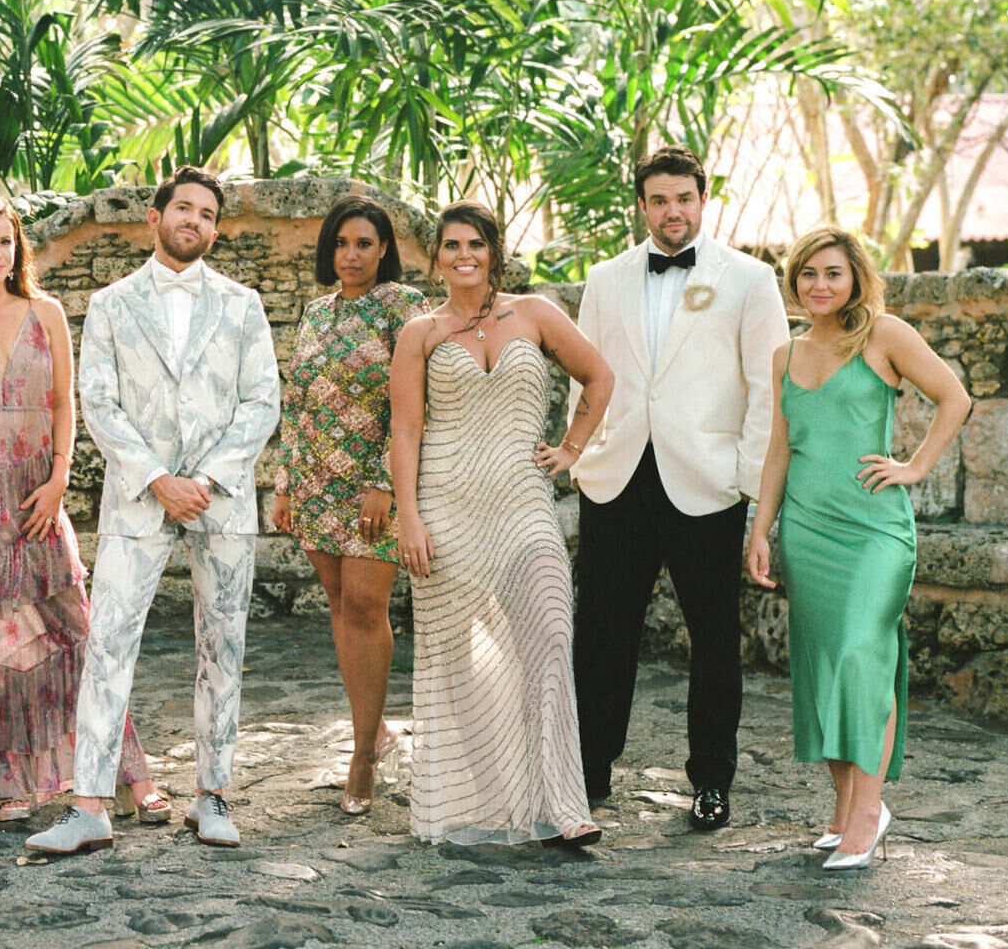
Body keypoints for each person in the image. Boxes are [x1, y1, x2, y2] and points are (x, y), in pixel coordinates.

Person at [27, 165, 280, 855]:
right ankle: (89, 808)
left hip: (222, 502)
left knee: (222, 646)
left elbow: (263, 401)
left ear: (216, 229)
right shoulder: (111, 304)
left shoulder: (243, 303)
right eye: (184, 208)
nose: (194, 220)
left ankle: (212, 795)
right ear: (156, 216)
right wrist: (159, 478)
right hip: (139, 501)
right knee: (107, 644)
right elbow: (99, 404)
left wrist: (208, 479)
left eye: (207, 213)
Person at [0, 196, 171, 824]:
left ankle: (124, 772)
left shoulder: (46, 312)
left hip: (32, 495)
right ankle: (7, 780)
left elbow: (63, 405)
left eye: (6, 242)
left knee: (72, 634)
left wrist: (58, 479)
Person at [569, 147, 789, 831]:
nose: (673, 211)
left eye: (684, 198)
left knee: (715, 639)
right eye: (659, 200)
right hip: (618, 479)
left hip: (707, 484)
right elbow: (585, 371)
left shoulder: (750, 280)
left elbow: (768, 390)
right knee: (602, 633)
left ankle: (712, 782)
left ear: (703, 198)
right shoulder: (605, 278)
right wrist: (583, 453)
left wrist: (746, 483)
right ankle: (588, 770)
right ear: (641, 205)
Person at [387, 202, 612, 845]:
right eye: (452, 244)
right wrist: (409, 517)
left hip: (522, 503)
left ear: (494, 252)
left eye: (476, 243)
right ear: (437, 257)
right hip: (445, 505)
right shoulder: (420, 333)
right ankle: (480, 803)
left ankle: (563, 804)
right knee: (462, 660)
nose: (465, 255)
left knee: (547, 636)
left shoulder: (536, 314)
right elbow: (405, 430)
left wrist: (569, 449)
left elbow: (599, 377)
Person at [746, 228, 969, 870]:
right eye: (808, 273)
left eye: (833, 273)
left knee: (858, 656)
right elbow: (780, 449)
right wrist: (762, 529)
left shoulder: (885, 335)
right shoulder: (785, 355)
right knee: (821, 664)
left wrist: (916, 466)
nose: (820, 285)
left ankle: (871, 811)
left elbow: (955, 397)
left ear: (855, 279)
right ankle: (845, 806)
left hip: (874, 529)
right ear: (795, 281)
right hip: (808, 531)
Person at [272, 194, 429, 815]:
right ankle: (376, 729)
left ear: (385, 248)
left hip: (372, 487)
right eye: (341, 243)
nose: (351, 255)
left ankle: (363, 756)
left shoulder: (405, 307)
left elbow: (414, 400)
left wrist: (387, 481)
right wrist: (285, 484)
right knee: (340, 606)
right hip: (314, 482)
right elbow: (299, 401)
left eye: (364, 243)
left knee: (367, 605)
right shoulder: (315, 313)